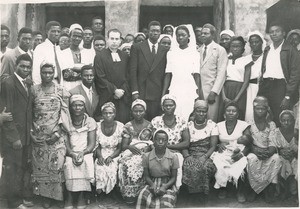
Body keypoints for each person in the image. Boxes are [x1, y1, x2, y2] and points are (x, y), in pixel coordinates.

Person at [30, 60, 70, 208]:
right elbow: (29, 113)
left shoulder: (60, 90)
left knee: (56, 165)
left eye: (50, 72)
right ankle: (45, 197)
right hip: (39, 135)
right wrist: (31, 133)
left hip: (56, 135)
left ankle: (57, 197)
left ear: (54, 74)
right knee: (41, 167)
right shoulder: (33, 90)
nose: (47, 75)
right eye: (44, 72)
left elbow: (65, 113)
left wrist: (58, 133)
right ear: (40, 73)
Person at [1, 54, 34, 209]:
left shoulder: (26, 83)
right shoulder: (9, 83)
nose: (25, 69)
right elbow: (6, 114)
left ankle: (18, 199)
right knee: (12, 170)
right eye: (22, 66)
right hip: (14, 136)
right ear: (16, 66)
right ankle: (13, 202)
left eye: (28, 67)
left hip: (25, 134)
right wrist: (14, 138)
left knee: (20, 168)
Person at [258, 22, 300, 126]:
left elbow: (295, 75)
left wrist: (288, 96)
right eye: (271, 32)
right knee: (262, 112)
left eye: (277, 31)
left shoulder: (290, 50)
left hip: (280, 86)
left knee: (279, 114)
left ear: (283, 33)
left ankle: (279, 141)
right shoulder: (267, 49)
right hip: (266, 85)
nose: (274, 34)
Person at [211, 102, 251, 203]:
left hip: (239, 151)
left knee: (242, 163)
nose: (231, 113)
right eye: (228, 111)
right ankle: (223, 188)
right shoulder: (218, 125)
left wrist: (241, 154)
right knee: (219, 162)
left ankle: (240, 191)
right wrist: (218, 145)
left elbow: (248, 142)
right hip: (223, 151)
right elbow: (214, 143)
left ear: (237, 114)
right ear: (224, 114)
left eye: (234, 111)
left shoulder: (244, 125)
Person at [129, 20, 168, 121]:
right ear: (148, 32)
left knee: (155, 120)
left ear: (160, 33)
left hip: (156, 92)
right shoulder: (137, 47)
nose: (155, 33)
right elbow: (132, 71)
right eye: (153, 30)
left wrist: (163, 93)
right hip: (142, 90)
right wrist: (134, 91)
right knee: (140, 119)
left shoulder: (164, 50)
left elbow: (164, 73)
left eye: (158, 31)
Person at [246, 96, 282, 203]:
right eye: (258, 108)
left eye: (263, 108)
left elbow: (272, 141)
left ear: (267, 110)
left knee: (276, 158)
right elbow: (247, 140)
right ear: (254, 109)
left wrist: (268, 152)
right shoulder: (248, 123)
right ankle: (254, 189)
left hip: (267, 152)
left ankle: (269, 189)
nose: (260, 111)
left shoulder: (271, 124)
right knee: (251, 159)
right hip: (253, 151)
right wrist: (255, 150)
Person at [64, 95, 96, 209]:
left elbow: (92, 143)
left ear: (84, 106)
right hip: (70, 152)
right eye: (75, 105)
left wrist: (83, 152)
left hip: (85, 151)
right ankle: (69, 197)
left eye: (80, 105)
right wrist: (72, 154)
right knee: (68, 163)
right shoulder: (67, 121)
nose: (78, 107)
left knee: (86, 161)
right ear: (71, 107)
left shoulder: (90, 121)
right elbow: (65, 142)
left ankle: (82, 195)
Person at [151, 94, 190, 190]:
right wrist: (163, 149)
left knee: (178, 161)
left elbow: (186, 142)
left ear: (175, 106)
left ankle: (175, 189)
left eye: (171, 105)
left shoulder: (181, 121)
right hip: (158, 151)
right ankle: (157, 187)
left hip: (176, 152)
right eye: (166, 105)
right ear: (162, 107)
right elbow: (152, 141)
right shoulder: (156, 121)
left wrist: (168, 148)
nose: (168, 107)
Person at [162, 24, 200, 121]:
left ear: (189, 36)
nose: (180, 37)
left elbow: (196, 75)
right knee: (175, 113)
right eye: (178, 35)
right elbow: (168, 74)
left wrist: (199, 94)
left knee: (188, 113)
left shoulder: (195, 54)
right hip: (175, 87)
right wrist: (163, 93)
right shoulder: (171, 54)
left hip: (189, 88)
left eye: (183, 35)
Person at [118, 99, 153, 204]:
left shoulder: (149, 125)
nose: (138, 113)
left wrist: (147, 148)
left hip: (145, 151)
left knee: (145, 162)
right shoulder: (128, 126)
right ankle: (129, 195)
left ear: (145, 111)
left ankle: (142, 194)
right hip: (131, 151)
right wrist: (130, 147)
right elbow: (124, 146)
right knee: (126, 164)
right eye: (135, 111)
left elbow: (152, 142)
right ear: (131, 112)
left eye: (141, 111)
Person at [182, 100, 217, 201]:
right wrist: (187, 156)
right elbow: (184, 144)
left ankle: (202, 194)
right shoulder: (188, 125)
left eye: (204, 111)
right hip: (191, 153)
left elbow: (213, 146)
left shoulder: (212, 125)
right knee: (188, 165)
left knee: (206, 167)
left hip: (206, 154)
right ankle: (193, 194)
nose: (201, 114)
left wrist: (205, 157)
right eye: (198, 111)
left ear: (207, 112)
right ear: (194, 111)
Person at [94, 28, 131, 124]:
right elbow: (99, 77)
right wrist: (114, 90)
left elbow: (128, 75)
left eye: (117, 39)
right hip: (107, 95)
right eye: (112, 38)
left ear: (120, 41)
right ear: (107, 39)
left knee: (122, 121)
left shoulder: (125, 56)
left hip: (122, 95)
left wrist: (121, 90)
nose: (114, 42)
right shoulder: (100, 56)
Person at [136, 129, 179, 209]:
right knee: (142, 196)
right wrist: (152, 185)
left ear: (167, 142)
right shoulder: (146, 156)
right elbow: (146, 176)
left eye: (163, 140)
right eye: (158, 139)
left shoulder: (173, 157)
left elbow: (173, 178)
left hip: (167, 184)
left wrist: (165, 187)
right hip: (151, 183)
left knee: (166, 202)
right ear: (153, 141)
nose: (160, 142)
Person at [200, 24, 228, 122]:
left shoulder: (220, 50)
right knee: (199, 117)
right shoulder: (198, 49)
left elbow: (221, 73)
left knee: (211, 119)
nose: (203, 35)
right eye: (202, 33)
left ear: (212, 35)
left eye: (206, 33)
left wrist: (214, 92)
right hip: (199, 90)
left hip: (211, 90)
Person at [95, 102, 123, 195]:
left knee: (111, 167)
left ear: (114, 114)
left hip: (115, 153)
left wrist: (111, 156)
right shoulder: (97, 126)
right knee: (100, 166)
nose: (108, 115)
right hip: (101, 152)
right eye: (105, 113)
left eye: (110, 113)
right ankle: (100, 193)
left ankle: (111, 192)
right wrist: (99, 156)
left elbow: (119, 148)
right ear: (102, 114)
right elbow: (97, 145)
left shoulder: (120, 126)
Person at [220, 36, 248, 120]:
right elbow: (221, 79)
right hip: (226, 89)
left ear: (242, 48)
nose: (235, 49)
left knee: (238, 114)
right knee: (224, 114)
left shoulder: (246, 60)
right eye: (233, 46)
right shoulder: (225, 60)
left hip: (240, 91)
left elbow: (246, 81)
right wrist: (224, 97)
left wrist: (236, 98)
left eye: (238, 46)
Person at [59, 24, 94, 91]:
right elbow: (65, 74)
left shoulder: (87, 53)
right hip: (68, 87)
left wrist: (73, 69)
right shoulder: (62, 53)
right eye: (74, 36)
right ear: (70, 36)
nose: (77, 38)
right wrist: (82, 70)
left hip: (85, 87)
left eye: (79, 36)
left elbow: (90, 70)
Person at [273, 110, 298, 200]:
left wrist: (294, 153)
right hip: (281, 157)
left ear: (293, 121)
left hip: (294, 157)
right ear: (280, 121)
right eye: (283, 120)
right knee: (281, 162)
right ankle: (283, 190)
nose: (286, 123)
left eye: (289, 120)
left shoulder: (297, 133)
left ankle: (295, 192)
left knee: (295, 164)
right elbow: (273, 146)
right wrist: (280, 151)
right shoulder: (276, 132)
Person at [32, 21, 62, 85]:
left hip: (58, 84)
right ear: (47, 32)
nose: (56, 34)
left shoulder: (58, 49)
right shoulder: (40, 48)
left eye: (58, 32)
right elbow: (36, 72)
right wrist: (38, 90)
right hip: (45, 85)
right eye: (53, 31)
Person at [244, 31, 264, 122]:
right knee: (248, 112)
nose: (254, 44)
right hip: (248, 88)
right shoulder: (246, 58)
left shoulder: (265, 57)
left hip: (261, 88)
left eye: (257, 42)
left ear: (262, 42)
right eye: (252, 42)